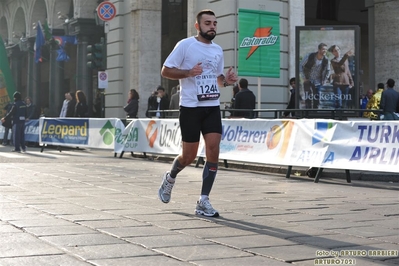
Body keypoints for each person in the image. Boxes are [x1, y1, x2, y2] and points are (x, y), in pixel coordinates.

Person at [158, 9, 238, 217]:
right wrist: (188, 72)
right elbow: (166, 71)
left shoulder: (218, 50)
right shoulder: (185, 45)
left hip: (211, 107)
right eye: (207, 23)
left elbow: (218, 80)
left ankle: (203, 201)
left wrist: (227, 81)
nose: (212, 26)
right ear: (198, 26)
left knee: (213, 150)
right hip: (191, 108)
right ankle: (170, 177)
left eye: (214, 23)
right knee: (189, 156)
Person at [300, 43, 331, 109]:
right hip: (308, 79)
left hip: (318, 81)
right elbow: (300, 65)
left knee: (317, 97)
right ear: (319, 50)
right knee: (308, 96)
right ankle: (308, 111)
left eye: (326, 49)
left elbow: (328, 71)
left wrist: (324, 80)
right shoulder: (310, 56)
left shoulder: (326, 60)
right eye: (323, 49)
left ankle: (315, 112)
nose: (325, 51)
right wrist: (303, 77)